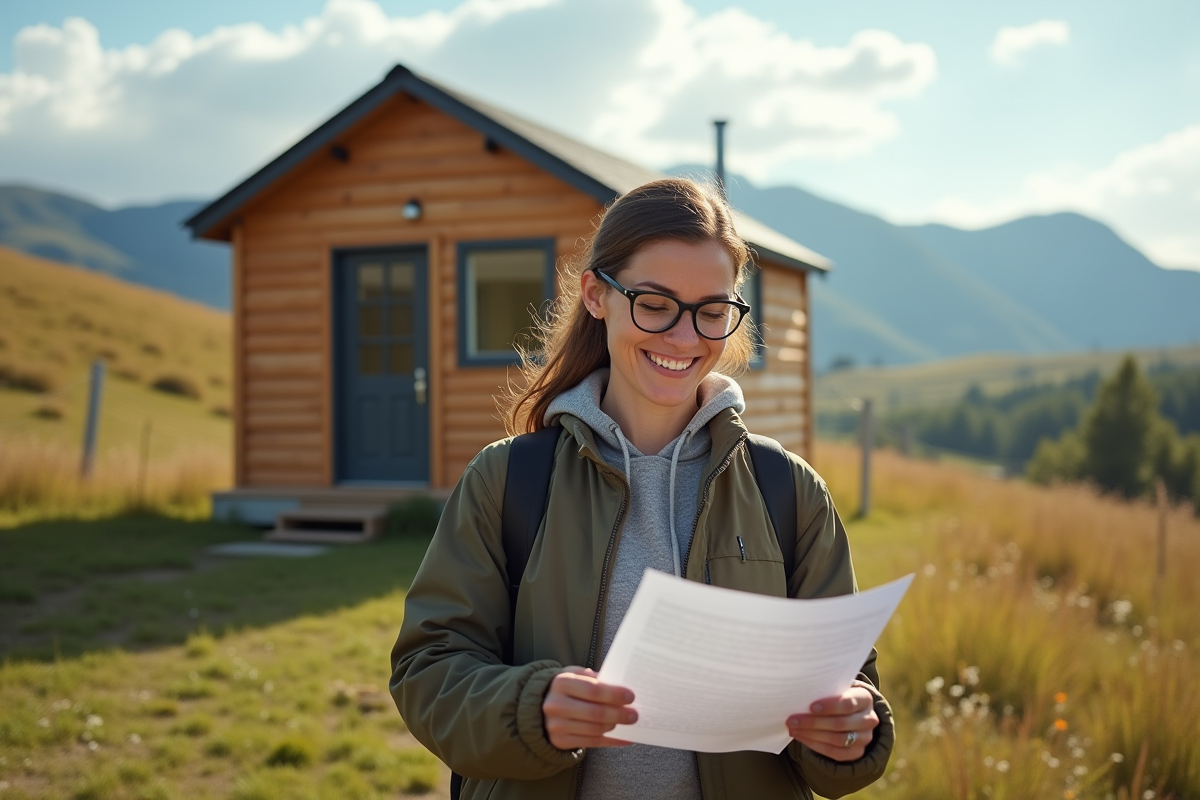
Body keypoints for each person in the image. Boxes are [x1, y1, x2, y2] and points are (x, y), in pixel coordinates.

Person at [390, 178, 894, 800]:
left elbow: (849, 690)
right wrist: (529, 708)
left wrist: (849, 730)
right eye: (655, 304)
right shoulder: (506, 481)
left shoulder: (788, 491)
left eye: (712, 311)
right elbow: (429, 669)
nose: (685, 337)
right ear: (596, 295)